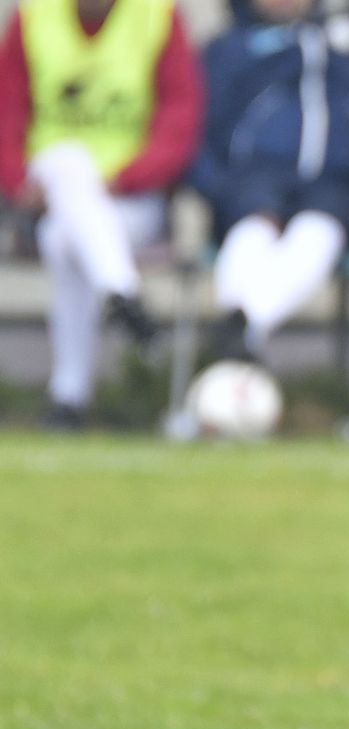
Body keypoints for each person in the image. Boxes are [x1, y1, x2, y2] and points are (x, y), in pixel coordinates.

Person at [0, 0, 200, 427]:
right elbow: (7, 113)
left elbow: (181, 118)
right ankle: (122, 294)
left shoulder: (157, 15)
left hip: (130, 203)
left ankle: (68, 396)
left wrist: (125, 178)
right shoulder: (34, 15)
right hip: (46, 194)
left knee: (64, 238)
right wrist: (20, 184)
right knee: (69, 160)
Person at [189, 0, 349, 367]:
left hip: (332, 183)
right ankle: (241, 332)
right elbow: (197, 128)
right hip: (251, 179)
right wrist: (217, 190)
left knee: (319, 228)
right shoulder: (230, 47)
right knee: (254, 224)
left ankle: (242, 329)